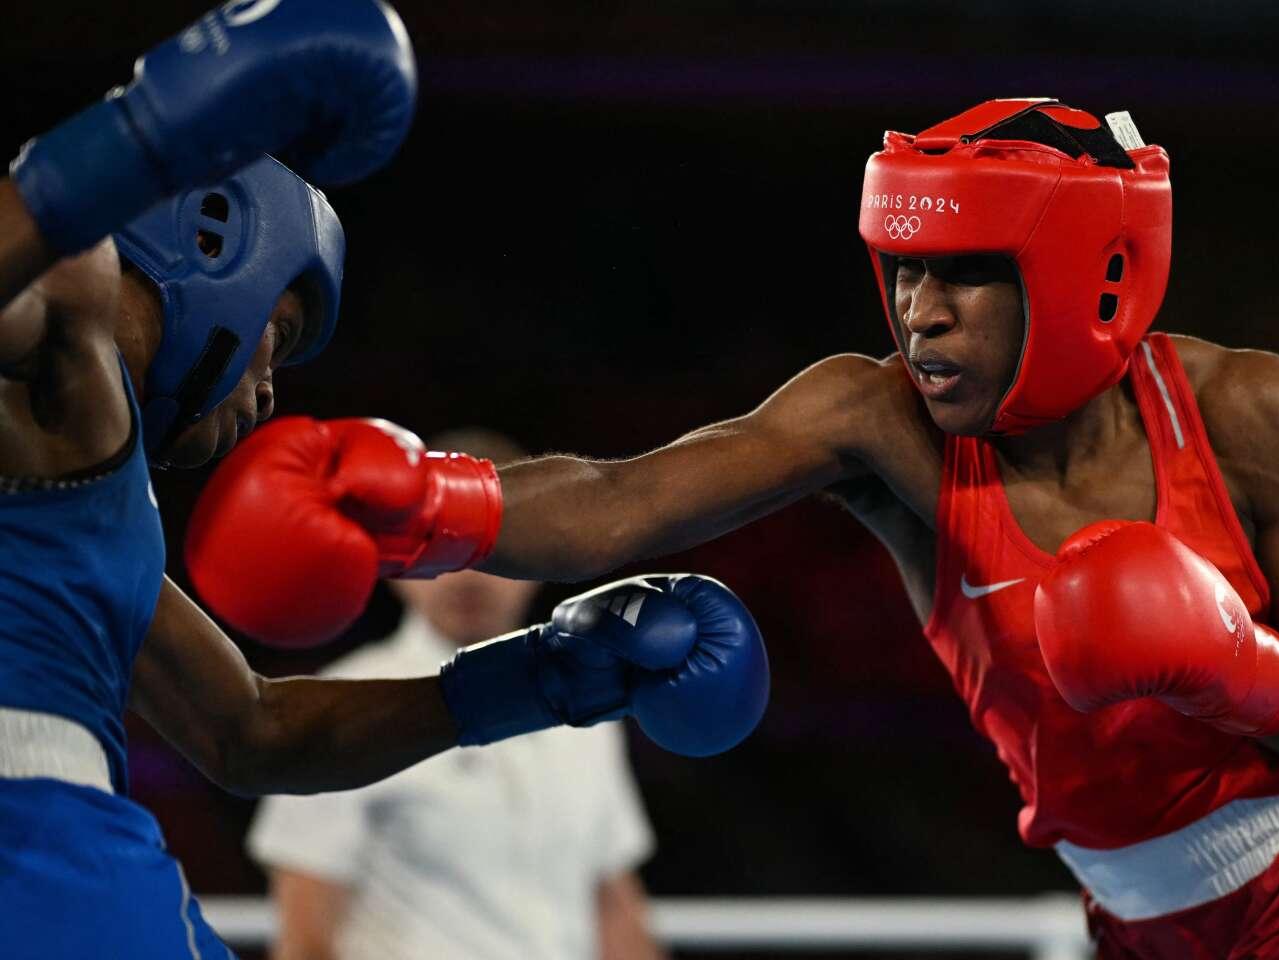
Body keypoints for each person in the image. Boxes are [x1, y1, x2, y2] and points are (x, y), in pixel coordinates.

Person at [194, 98, 1279, 958]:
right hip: (1136, 915)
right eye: (902, 270)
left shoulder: (1249, 410)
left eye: (961, 272)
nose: (919, 313)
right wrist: (425, 502)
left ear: (1083, 277)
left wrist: (1238, 666)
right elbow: (624, 498)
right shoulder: (878, 419)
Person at [0, 3, 767, 957]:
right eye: (275, 338)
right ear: (207, 255)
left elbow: (252, 732)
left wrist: (544, 677)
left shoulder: (81, 520)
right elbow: (48, 262)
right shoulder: (59, 346)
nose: (269, 390)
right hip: (42, 860)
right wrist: (155, 130)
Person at [248, 429, 668, 960]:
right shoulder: (339, 700)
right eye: (443, 542)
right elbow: (305, 940)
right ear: (395, 560)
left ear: (543, 558)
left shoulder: (591, 703)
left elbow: (614, 907)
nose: (469, 574)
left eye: (491, 545)